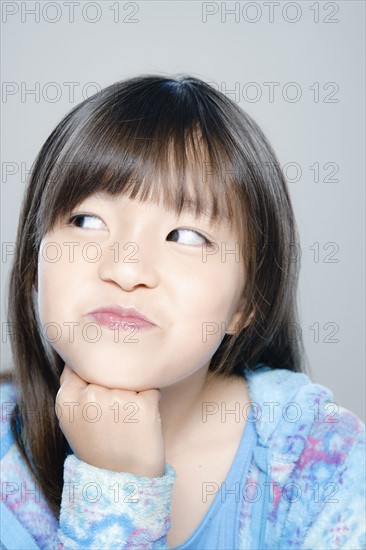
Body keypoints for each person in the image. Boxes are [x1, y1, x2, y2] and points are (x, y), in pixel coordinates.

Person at [0, 74, 364, 550]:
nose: (126, 269)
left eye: (186, 236)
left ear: (246, 303)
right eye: (87, 220)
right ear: (34, 265)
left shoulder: (320, 465)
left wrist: (118, 487)